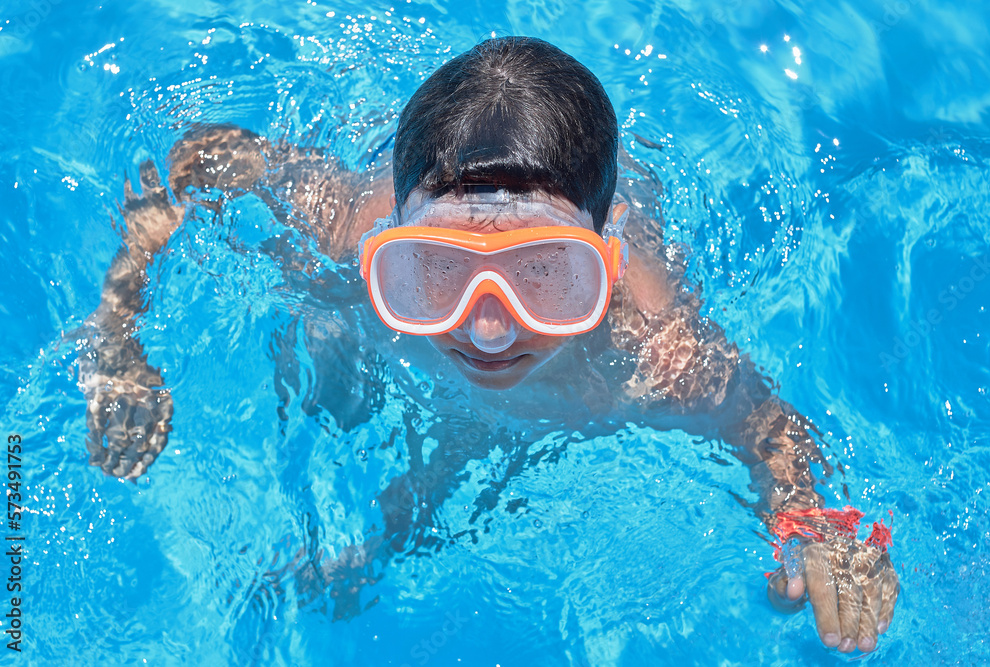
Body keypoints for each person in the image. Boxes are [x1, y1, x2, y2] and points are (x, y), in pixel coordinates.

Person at [78, 36, 898, 653]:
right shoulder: (345, 224)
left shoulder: (655, 353)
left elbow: (772, 432)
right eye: (435, 267)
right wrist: (118, 330)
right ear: (391, 233)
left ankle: (391, 529)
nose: (487, 326)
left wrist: (815, 529)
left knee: (454, 464)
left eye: (546, 271)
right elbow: (204, 157)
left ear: (607, 256)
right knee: (324, 359)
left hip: (565, 368)